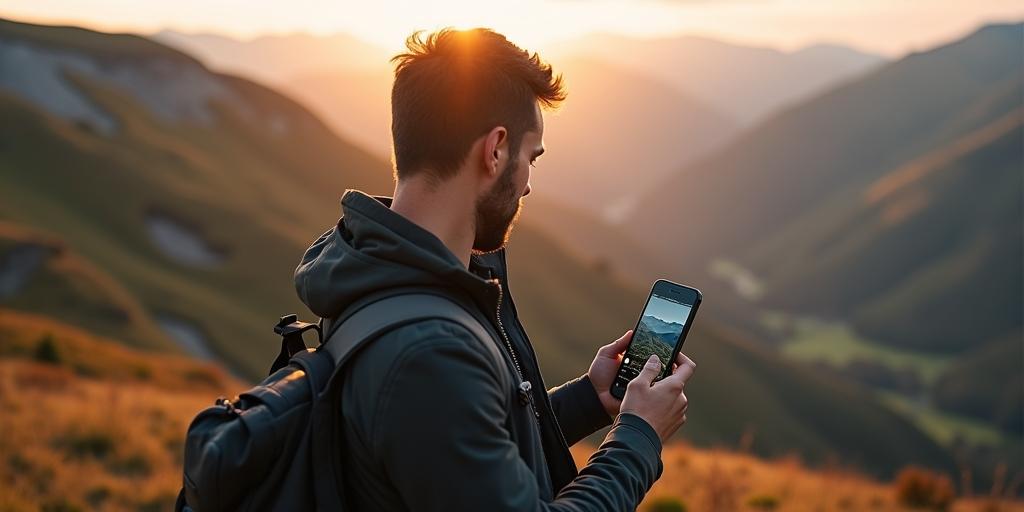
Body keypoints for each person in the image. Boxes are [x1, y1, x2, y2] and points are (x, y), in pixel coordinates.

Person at [293, 27, 697, 511]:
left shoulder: (375, 273)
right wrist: (638, 435)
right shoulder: (429, 348)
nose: (527, 185)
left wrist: (590, 400)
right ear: (496, 150)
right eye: (531, 158)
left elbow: (456, 450)